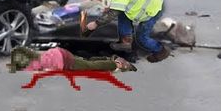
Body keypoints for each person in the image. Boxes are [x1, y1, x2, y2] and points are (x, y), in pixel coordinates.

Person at [85, 0, 170, 63]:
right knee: (123, 12)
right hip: (150, 0)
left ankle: (161, 51)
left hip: (152, 10)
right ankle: (126, 42)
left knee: (141, 38)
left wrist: (95, 24)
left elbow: (113, 13)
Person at [9, 46, 137, 73]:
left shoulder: (32, 64)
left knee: (89, 66)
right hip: (60, 54)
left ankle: (116, 64)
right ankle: (108, 59)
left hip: (64, 60)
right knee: (85, 62)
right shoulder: (33, 58)